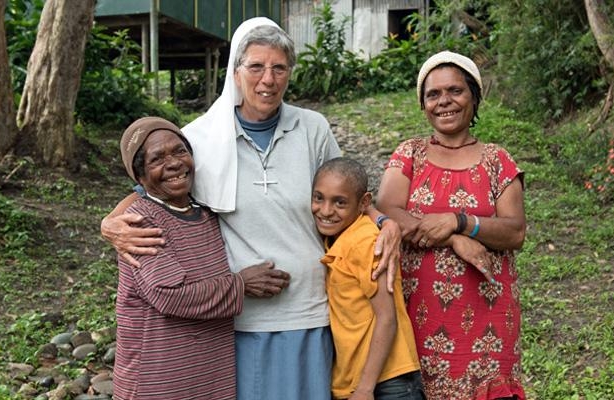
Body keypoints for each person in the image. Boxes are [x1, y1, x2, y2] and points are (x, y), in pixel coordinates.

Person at [101, 18, 402, 400]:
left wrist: (384, 221)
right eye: (256, 67)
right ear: (236, 71)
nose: (268, 79)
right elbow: (152, 187)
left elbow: (345, 192)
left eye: (279, 68)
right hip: (238, 318)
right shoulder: (201, 137)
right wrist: (108, 223)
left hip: (310, 306)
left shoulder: (312, 128)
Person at [377, 51, 527, 400]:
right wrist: (455, 240)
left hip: (489, 313)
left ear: (474, 96)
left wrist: (460, 221)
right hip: (420, 313)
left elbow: (515, 231)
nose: (444, 101)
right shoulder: (409, 154)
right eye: (433, 94)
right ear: (422, 103)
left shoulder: (497, 160)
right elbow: (386, 210)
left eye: (455, 91)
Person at [112, 117, 290, 399]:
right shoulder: (139, 222)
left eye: (180, 151)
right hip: (157, 380)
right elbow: (169, 294)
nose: (173, 163)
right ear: (140, 177)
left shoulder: (205, 213)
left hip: (209, 374)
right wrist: (241, 284)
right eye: (157, 158)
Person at [312, 157, 425, 400]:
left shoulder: (365, 242)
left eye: (340, 202)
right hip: (359, 378)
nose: (326, 210)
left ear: (364, 202)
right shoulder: (339, 237)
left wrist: (365, 388)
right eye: (318, 198)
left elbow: (387, 318)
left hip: (386, 382)